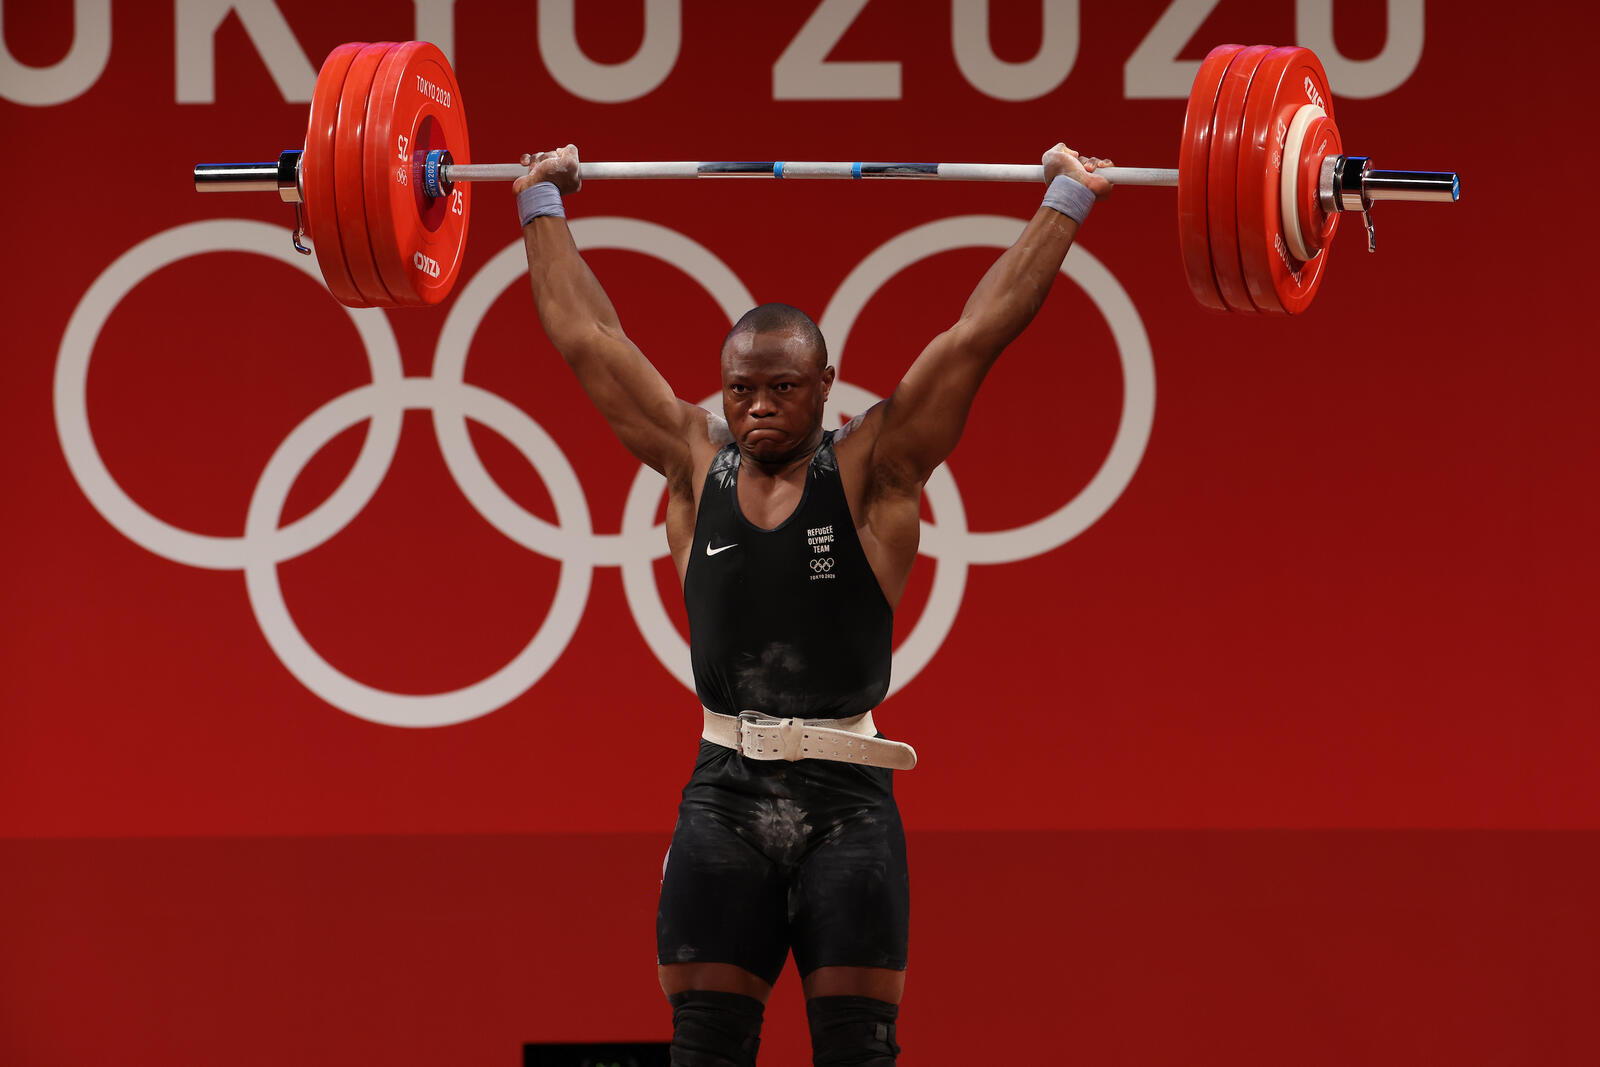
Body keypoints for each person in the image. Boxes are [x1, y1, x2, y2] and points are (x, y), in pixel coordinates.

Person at [514, 143, 1112, 1066]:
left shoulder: (876, 467)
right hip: (723, 796)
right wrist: (540, 204)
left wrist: (1067, 197)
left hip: (848, 805)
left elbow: (977, 335)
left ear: (825, 386)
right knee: (704, 1047)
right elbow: (588, 339)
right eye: (741, 389)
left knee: (858, 1050)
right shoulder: (691, 461)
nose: (758, 407)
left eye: (783, 388)